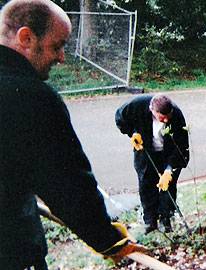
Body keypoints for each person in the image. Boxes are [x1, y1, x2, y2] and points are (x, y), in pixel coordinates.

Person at [0, 1, 144, 269]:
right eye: (57, 45)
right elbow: (68, 185)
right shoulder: (33, 98)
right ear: (26, 37)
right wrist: (108, 240)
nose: (62, 57)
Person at [115, 94, 189, 234]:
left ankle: (166, 219)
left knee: (168, 186)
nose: (166, 120)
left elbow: (181, 145)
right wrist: (132, 133)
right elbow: (120, 117)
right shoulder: (137, 105)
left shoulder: (177, 115)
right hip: (145, 151)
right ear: (152, 110)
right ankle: (150, 221)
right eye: (162, 117)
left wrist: (169, 169)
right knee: (146, 185)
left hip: (168, 154)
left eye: (168, 116)